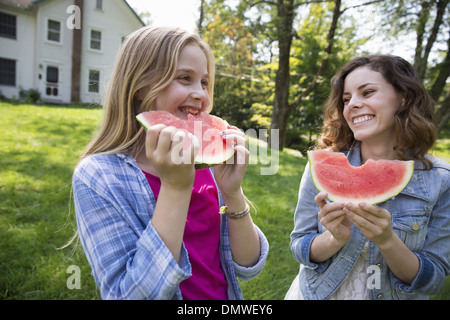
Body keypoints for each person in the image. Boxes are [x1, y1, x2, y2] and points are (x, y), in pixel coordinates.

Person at [72, 26, 268, 300]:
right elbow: (127, 295)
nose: (201, 94)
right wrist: (175, 188)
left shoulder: (203, 164)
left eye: (204, 82)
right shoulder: (98, 176)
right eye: (185, 78)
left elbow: (249, 265)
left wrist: (233, 193)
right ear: (140, 86)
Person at [286, 55, 450, 300]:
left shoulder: (441, 180)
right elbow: (299, 246)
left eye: (368, 92)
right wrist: (334, 239)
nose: (352, 104)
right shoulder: (321, 166)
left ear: (403, 98)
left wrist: (388, 241)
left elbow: (433, 280)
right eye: (346, 98)